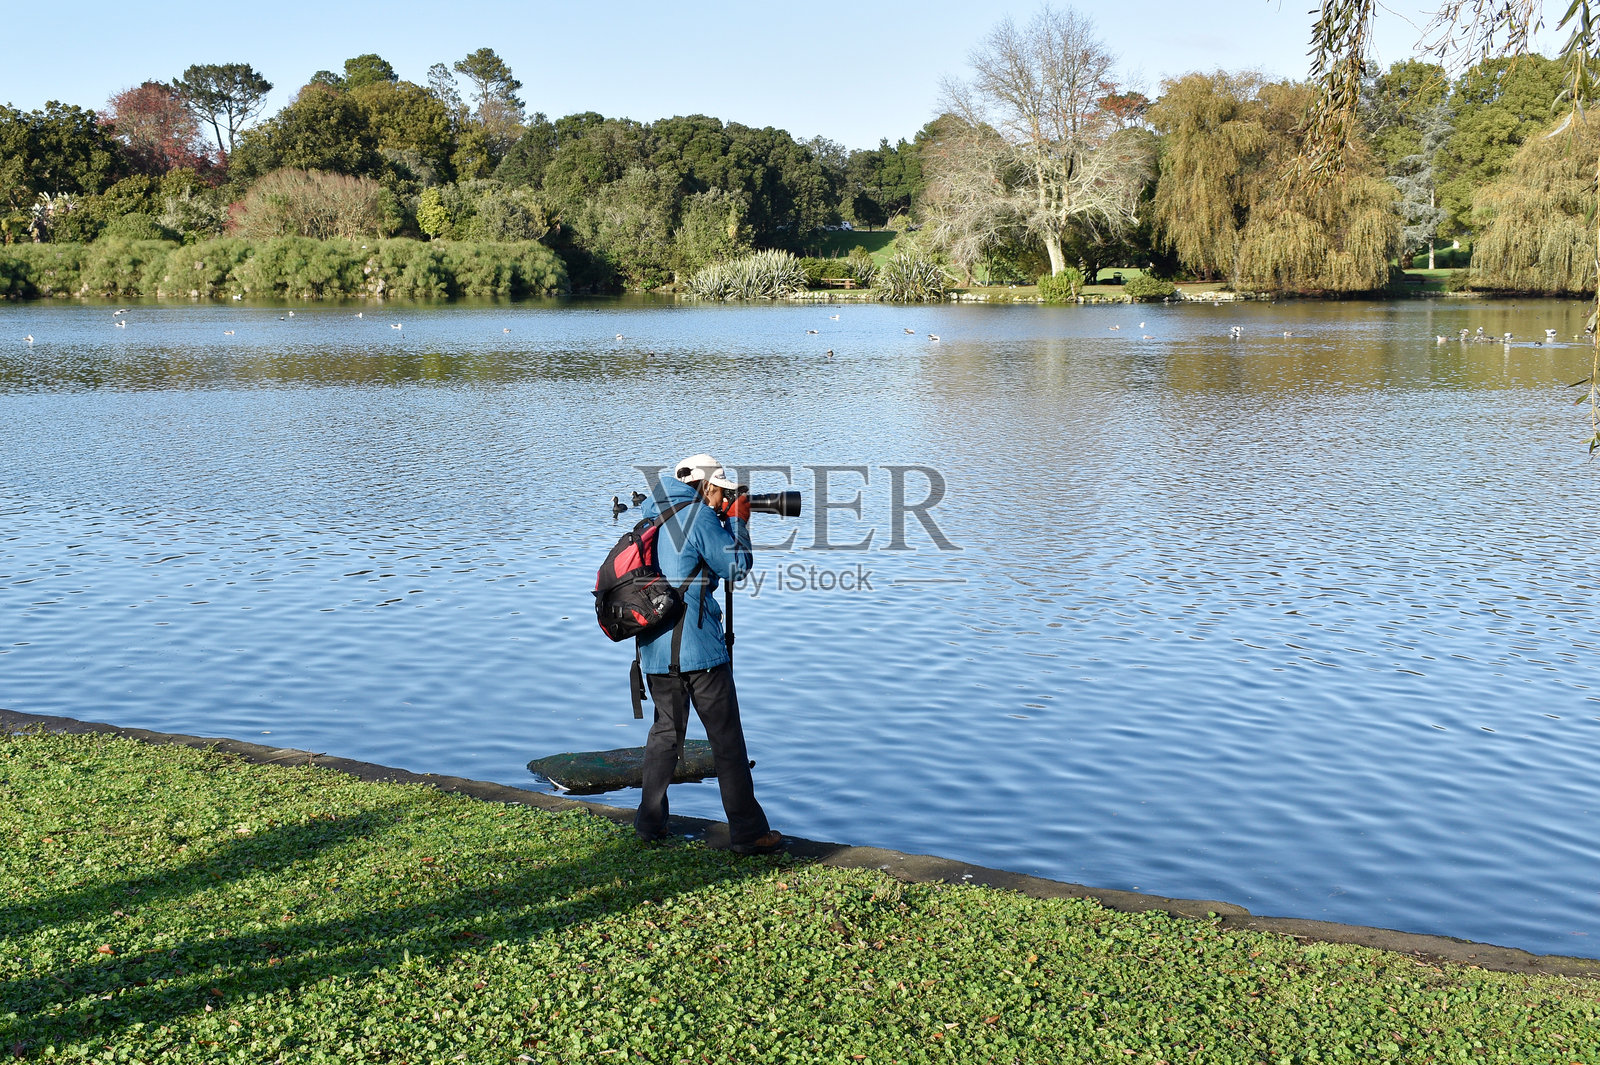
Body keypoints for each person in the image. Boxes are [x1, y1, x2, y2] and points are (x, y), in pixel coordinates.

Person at [633, 453, 783, 855]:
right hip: (698, 647)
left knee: (664, 736)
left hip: (653, 646)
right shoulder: (697, 516)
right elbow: (736, 566)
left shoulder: (654, 510)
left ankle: (650, 824)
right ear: (706, 485)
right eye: (721, 492)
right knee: (727, 741)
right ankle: (749, 834)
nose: (722, 500)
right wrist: (739, 523)